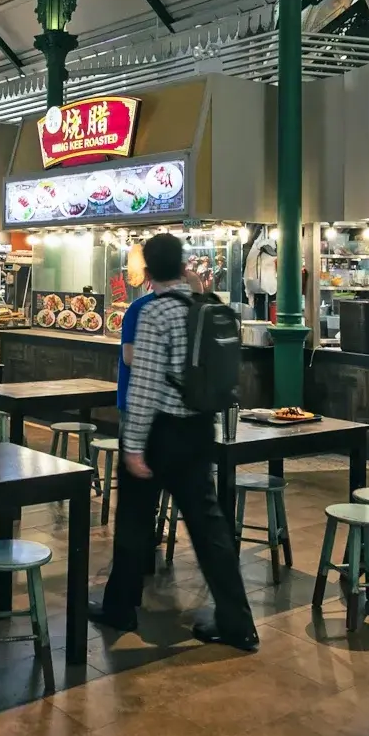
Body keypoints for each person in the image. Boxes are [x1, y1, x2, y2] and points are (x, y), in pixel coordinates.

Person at [111, 233, 257, 649]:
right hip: (199, 430)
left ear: (149, 270)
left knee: (134, 523)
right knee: (210, 531)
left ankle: (120, 608)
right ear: (181, 265)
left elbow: (144, 387)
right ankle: (238, 624)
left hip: (161, 431)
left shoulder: (156, 314)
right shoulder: (205, 307)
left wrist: (134, 445)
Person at [89, 278, 166, 632]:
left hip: (163, 419)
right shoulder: (139, 309)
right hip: (141, 412)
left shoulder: (175, 311)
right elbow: (129, 355)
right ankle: (127, 593)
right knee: (139, 505)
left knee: (139, 507)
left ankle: (125, 596)